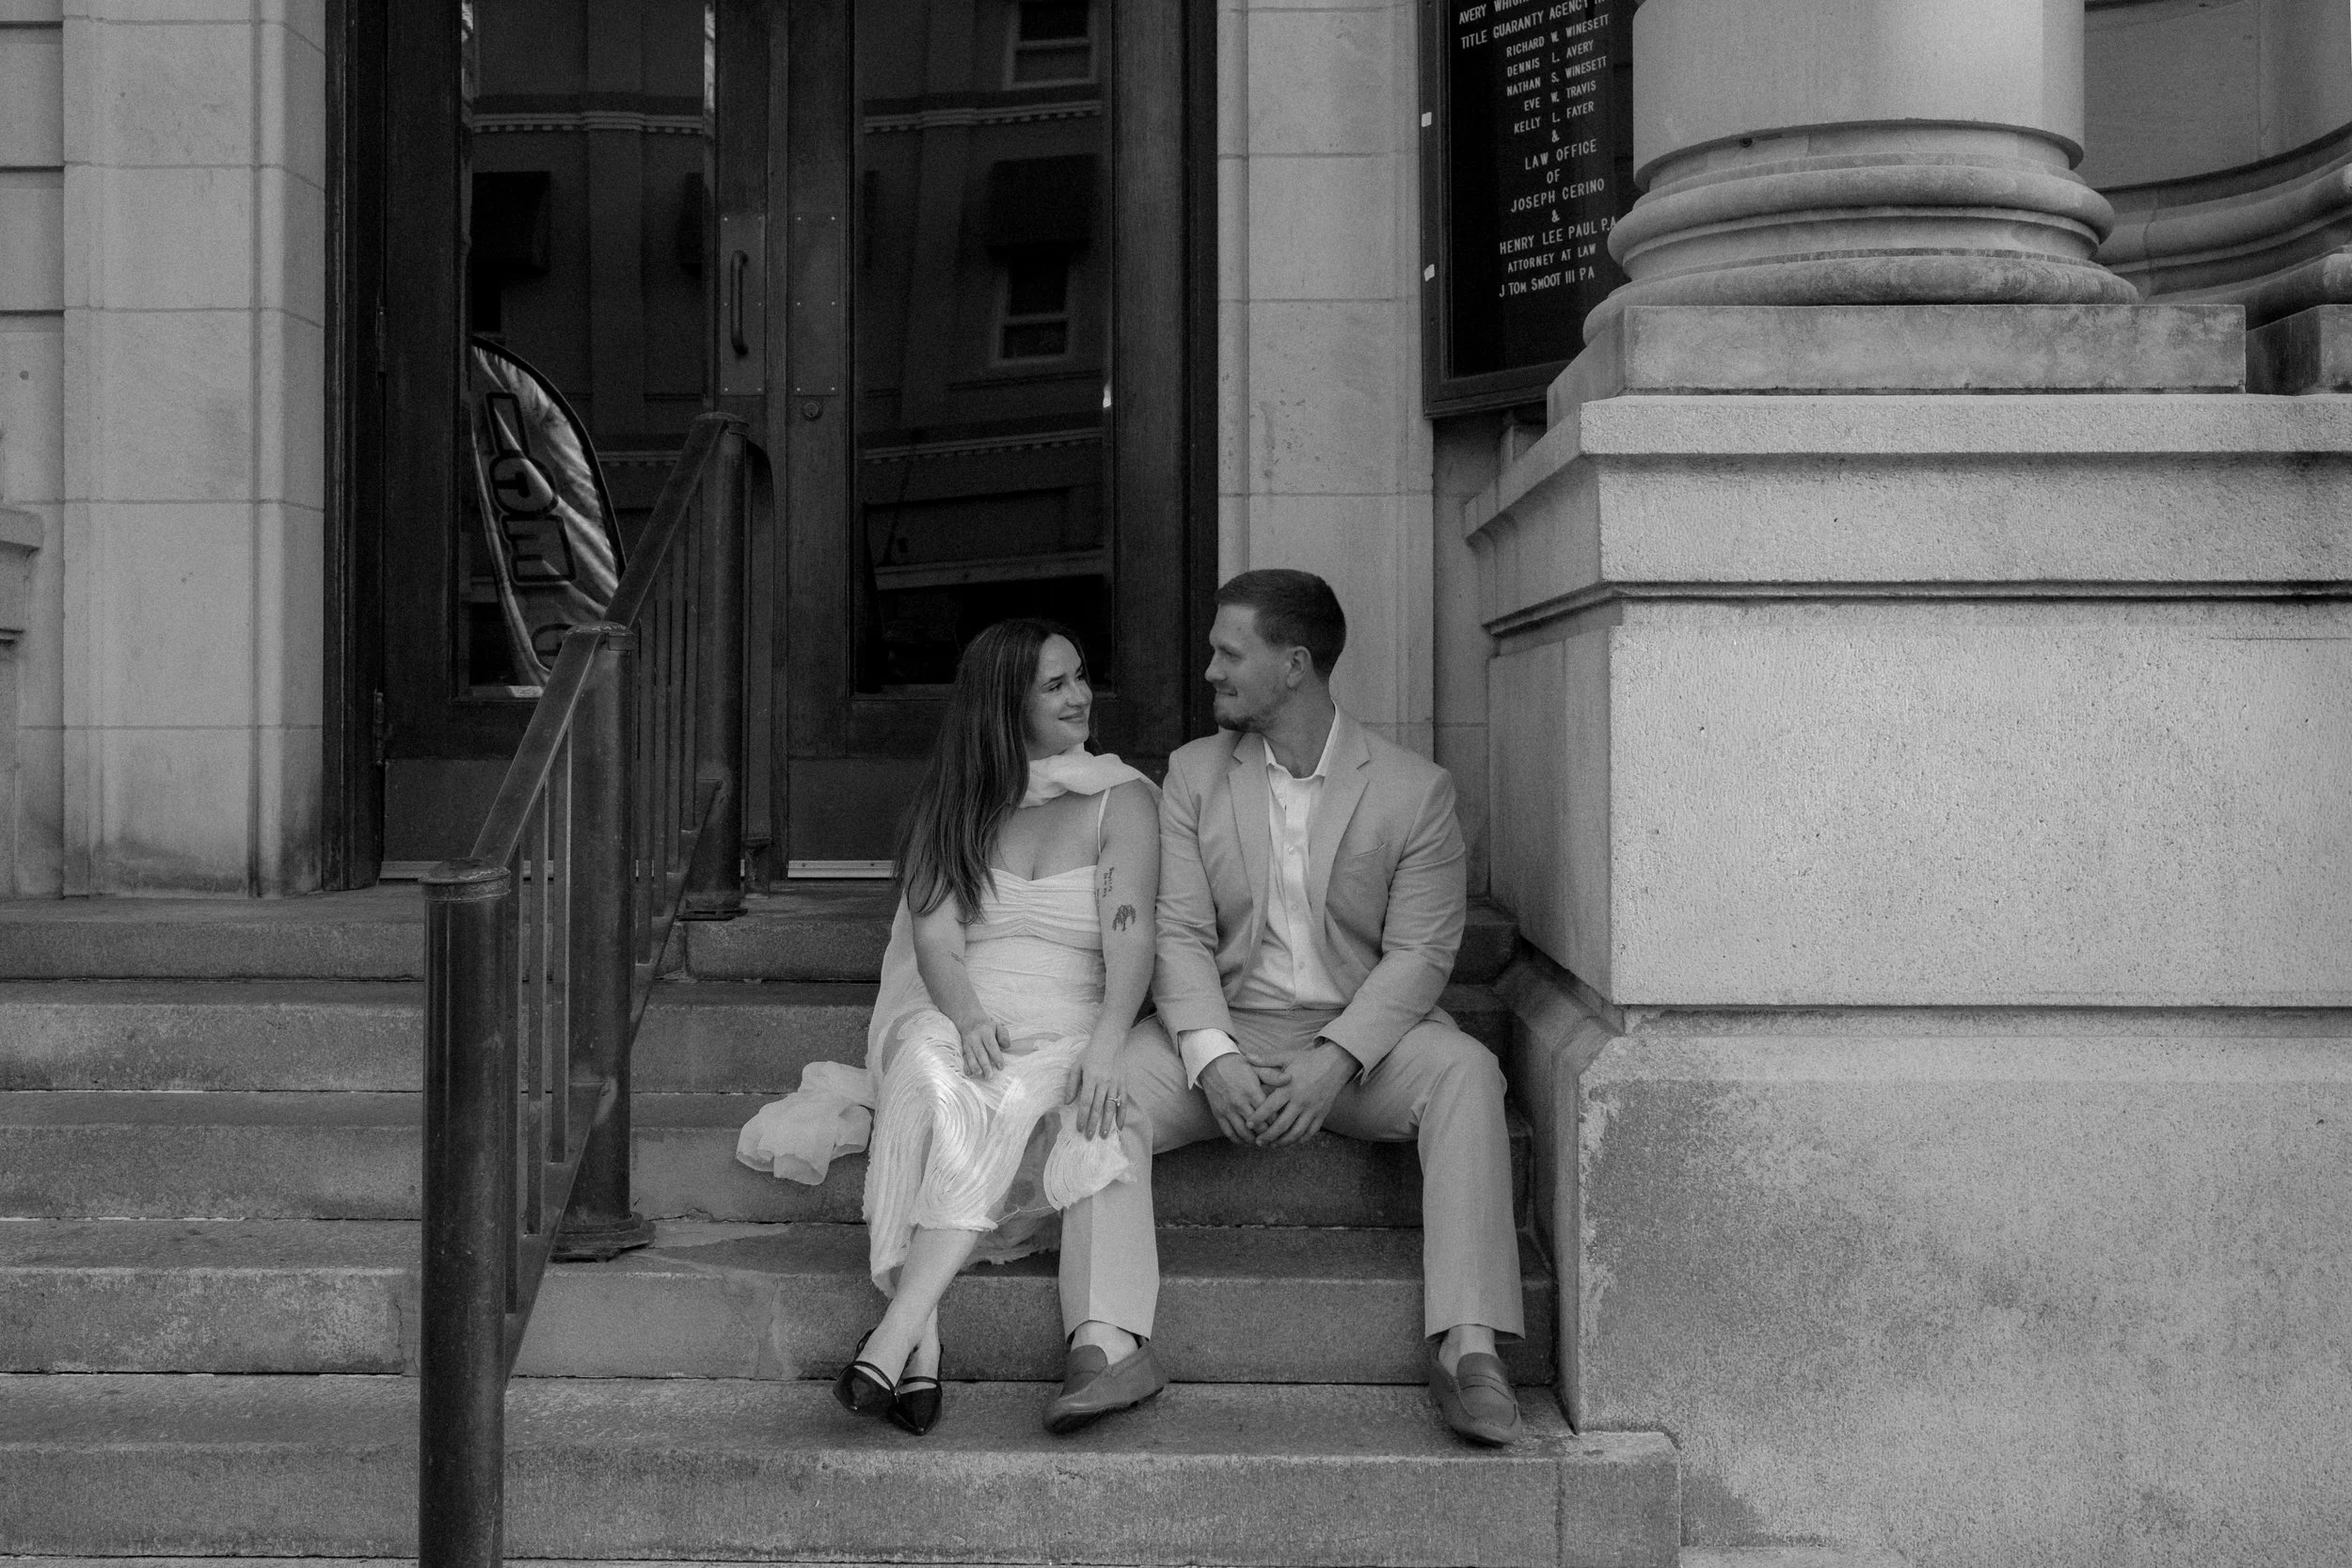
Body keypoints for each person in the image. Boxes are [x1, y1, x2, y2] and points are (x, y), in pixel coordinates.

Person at [1045, 569, 1526, 1445]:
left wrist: (1336, 1059)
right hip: (1226, 1033)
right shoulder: (1192, 775)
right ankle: (1107, 1338)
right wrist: (1208, 1052)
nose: (1211, 672)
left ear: (1295, 664)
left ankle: (1469, 1345)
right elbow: (1178, 929)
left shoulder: (1415, 790)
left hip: (1358, 1053)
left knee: (1468, 1072)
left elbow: (1421, 955)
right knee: (1104, 1089)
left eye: (1230, 653)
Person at [749, 619, 1157, 1435]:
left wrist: (1110, 1038)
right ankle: (918, 1342)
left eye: (1080, 676)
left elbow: (1131, 934)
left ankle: (898, 1332)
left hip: (1070, 1025)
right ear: (1005, 705)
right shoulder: (958, 802)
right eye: (1055, 685)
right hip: (969, 1008)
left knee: (1002, 1100)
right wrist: (967, 1015)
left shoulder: (1122, 796)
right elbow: (935, 937)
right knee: (931, 1072)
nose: (1080, 695)